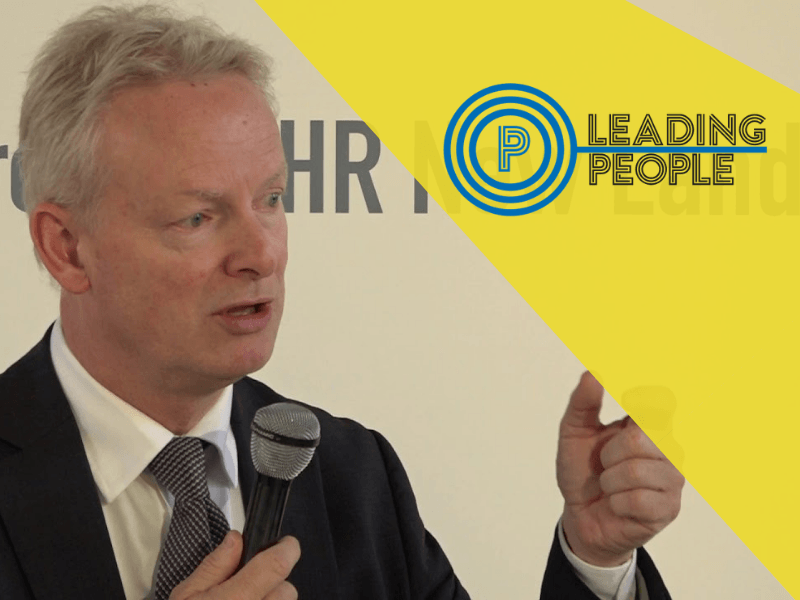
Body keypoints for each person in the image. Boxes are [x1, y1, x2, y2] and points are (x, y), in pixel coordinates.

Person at [0, 5, 684, 599]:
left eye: (271, 200)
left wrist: (595, 558)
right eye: (198, 218)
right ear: (67, 248)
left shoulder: (351, 475)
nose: (261, 254)